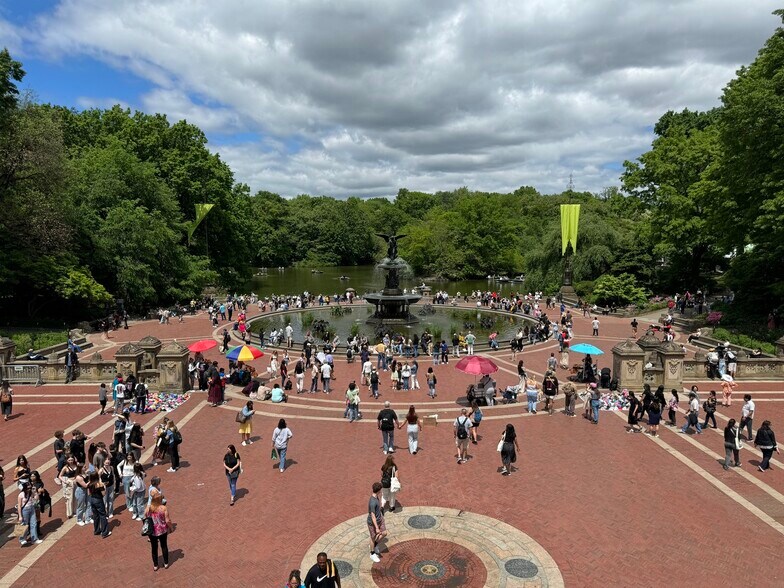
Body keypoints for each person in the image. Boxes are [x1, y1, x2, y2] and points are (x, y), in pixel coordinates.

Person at [145, 493, 173, 571]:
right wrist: (171, 527)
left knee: (154, 548)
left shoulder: (148, 508)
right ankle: (166, 563)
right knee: (164, 546)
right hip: (162, 530)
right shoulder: (163, 508)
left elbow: (145, 517)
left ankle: (155, 565)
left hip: (152, 531)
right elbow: (167, 520)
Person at [86, 471, 111, 538]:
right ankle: (105, 532)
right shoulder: (99, 484)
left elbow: (89, 493)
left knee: (95, 515)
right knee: (102, 515)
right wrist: (104, 487)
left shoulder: (89, 484)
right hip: (98, 500)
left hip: (92, 499)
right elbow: (103, 494)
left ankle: (97, 530)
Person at [367, 483, 386, 564]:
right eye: (380, 489)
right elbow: (372, 516)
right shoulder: (372, 502)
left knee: (384, 533)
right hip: (372, 523)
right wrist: (377, 528)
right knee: (373, 537)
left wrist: (381, 516)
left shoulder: (376, 497)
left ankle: (374, 545)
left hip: (380, 519)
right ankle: (372, 553)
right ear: (379, 490)